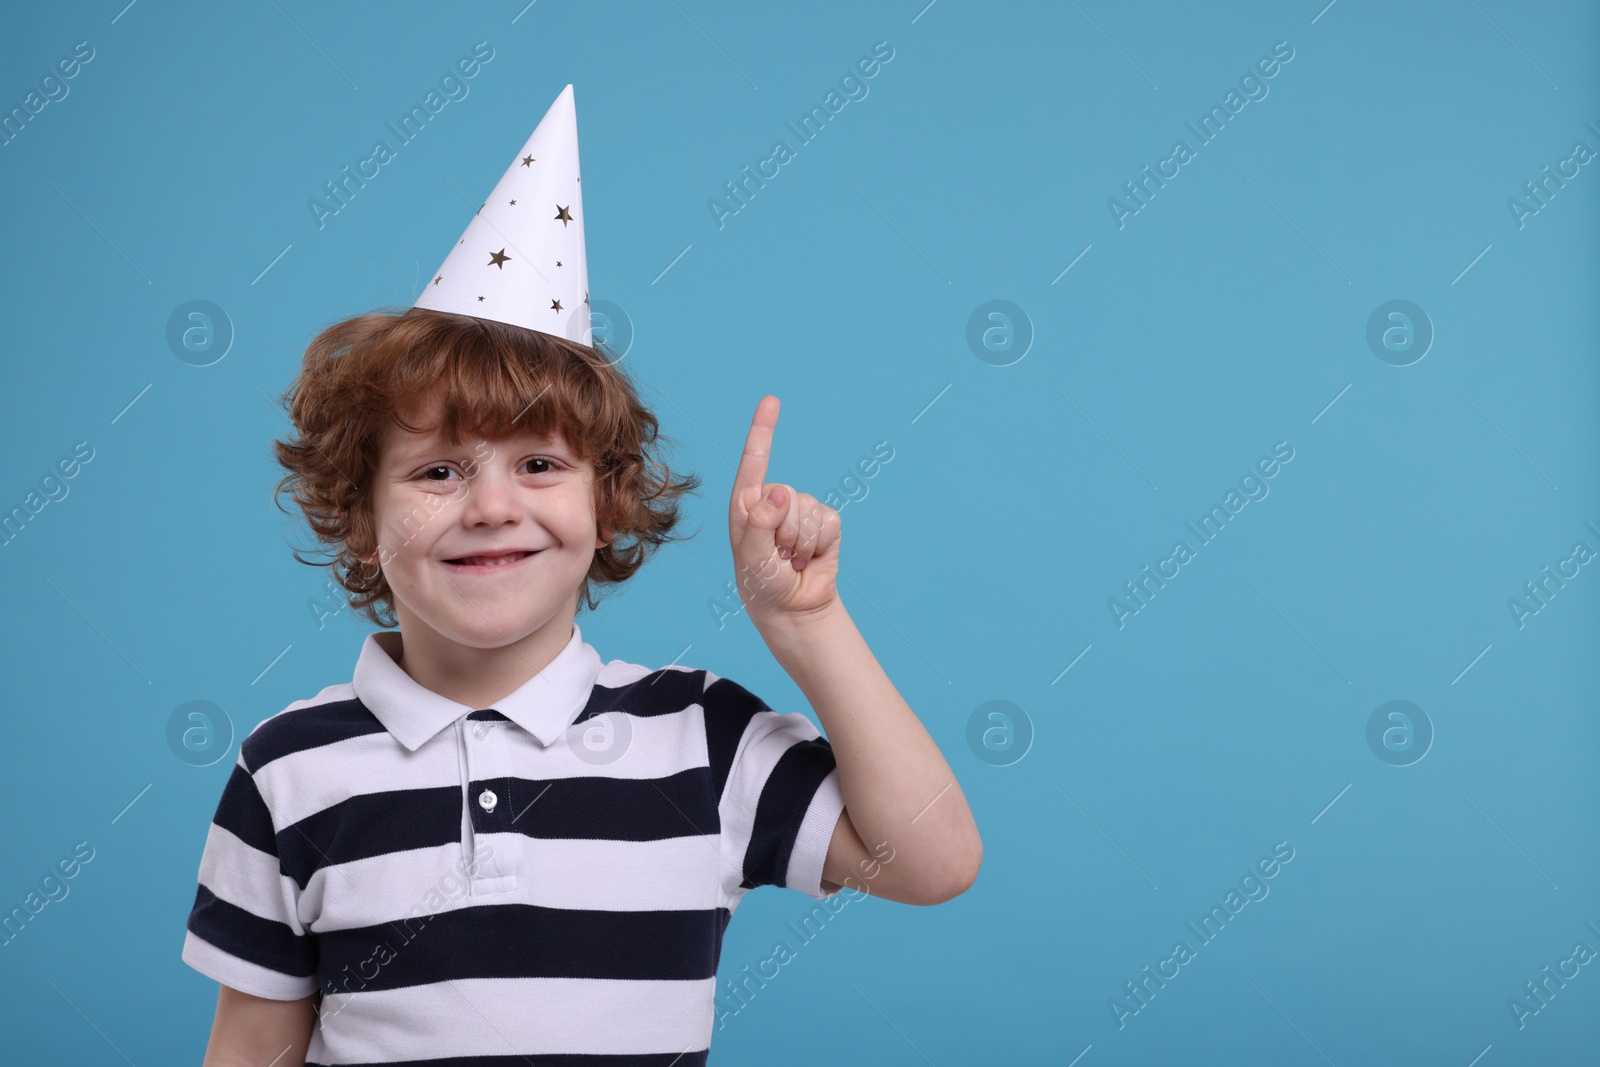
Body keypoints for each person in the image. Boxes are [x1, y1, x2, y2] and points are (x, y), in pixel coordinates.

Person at [180, 85, 981, 1066]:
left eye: (538, 463)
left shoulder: (699, 738)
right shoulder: (288, 767)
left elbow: (933, 860)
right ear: (357, 512)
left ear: (606, 505)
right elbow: (252, 1048)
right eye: (438, 470)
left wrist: (807, 625)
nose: (488, 506)